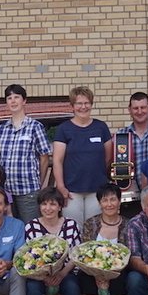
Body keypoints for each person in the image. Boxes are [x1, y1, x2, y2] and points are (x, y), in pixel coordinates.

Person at [23, 188, 82, 295]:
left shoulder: (71, 225)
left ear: (60, 206)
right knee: (32, 290)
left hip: (65, 271)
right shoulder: (31, 226)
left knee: (72, 288)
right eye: (44, 204)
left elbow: (76, 255)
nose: (48, 208)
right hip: (39, 274)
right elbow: (28, 257)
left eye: (52, 204)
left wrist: (62, 274)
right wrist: (43, 277)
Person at [53, 86, 112, 225]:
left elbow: (108, 158)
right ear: (72, 106)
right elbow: (57, 161)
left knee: (94, 229)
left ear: (91, 104)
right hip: (71, 191)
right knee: (73, 230)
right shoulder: (63, 129)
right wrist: (61, 187)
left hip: (97, 190)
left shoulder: (101, 127)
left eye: (87, 103)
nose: (83, 107)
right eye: (79, 103)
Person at [81, 184, 130, 295]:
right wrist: (98, 274)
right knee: (85, 278)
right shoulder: (91, 223)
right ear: (99, 203)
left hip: (119, 268)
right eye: (105, 200)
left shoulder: (128, 225)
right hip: (94, 269)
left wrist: (110, 274)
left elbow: (129, 253)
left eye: (113, 200)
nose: (109, 204)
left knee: (120, 279)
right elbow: (85, 252)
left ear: (119, 201)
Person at [0, 84, 51, 222]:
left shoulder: (35, 127)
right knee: (10, 228)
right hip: (6, 191)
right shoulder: (1, 129)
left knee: (30, 228)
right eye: (9, 98)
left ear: (24, 101)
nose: (13, 101)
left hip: (28, 191)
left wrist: (40, 183)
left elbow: (44, 157)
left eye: (16, 97)